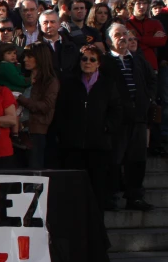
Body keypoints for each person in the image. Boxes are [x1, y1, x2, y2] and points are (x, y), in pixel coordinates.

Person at [55, 44, 123, 213]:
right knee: (73, 190)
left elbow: (117, 110)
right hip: (73, 147)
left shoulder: (107, 84)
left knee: (97, 190)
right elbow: (61, 110)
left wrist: (106, 128)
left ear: (98, 63)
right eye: (84, 59)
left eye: (92, 59)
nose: (87, 62)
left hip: (98, 147)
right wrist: (65, 133)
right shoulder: (70, 83)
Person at [103, 24, 155, 212]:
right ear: (109, 41)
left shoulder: (138, 60)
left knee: (137, 160)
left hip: (138, 119)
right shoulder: (105, 62)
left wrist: (146, 99)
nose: (123, 38)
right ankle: (111, 197)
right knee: (114, 160)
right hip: (117, 121)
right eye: (118, 35)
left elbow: (151, 80)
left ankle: (135, 197)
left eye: (125, 34)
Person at [17, 44, 59, 169]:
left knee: (34, 172)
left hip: (35, 133)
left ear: (40, 58)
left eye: (30, 56)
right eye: (25, 56)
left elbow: (46, 106)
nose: (25, 59)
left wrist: (20, 99)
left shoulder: (50, 81)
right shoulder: (22, 78)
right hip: (18, 131)